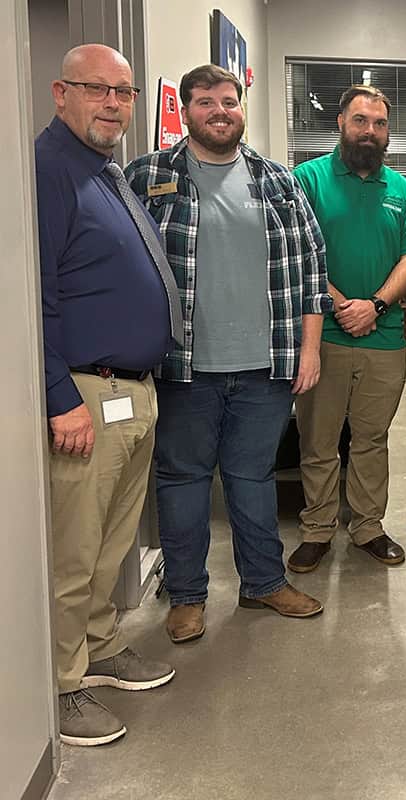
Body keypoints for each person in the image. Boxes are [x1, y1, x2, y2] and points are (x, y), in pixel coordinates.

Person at [126, 64, 331, 643]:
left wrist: (309, 350)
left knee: (252, 477)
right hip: (181, 367)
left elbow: (312, 269)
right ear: (185, 112)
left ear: (242, 108)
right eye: (204, 102)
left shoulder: (278, 181)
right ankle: (188, 596)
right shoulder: (147, 177)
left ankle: (263, 583)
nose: (219, 111)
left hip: (266, 367)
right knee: (184, 480)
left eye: (228, 101)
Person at [37, 43, 179, 746]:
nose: (114, 105)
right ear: (61, 92)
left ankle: (95, 649)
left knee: (112, 542)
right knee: (73, 549)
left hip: (131, 392)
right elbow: (34, 297)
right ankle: (59, 687)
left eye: (123, 93)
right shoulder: (47, 171)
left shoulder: (107, 173)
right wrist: (57, 395)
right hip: (86, 396)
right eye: (98, 90)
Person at [287, 85, 406, 573]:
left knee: (371, 439)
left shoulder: (401, 190)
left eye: (380, 123)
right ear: (340, 122)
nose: (371, 131)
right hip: (321, 338)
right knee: (318, 441)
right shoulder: (307, 180)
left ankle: (368, 527)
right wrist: (341, 304)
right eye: (361, 120)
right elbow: (296, 253)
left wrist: (377, 305)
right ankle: (317, 530)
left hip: (384, 338)